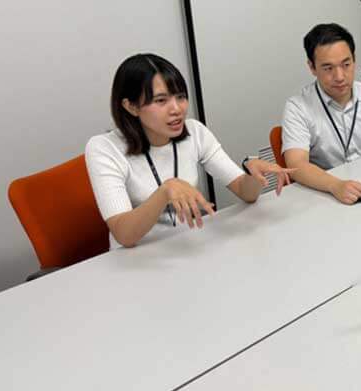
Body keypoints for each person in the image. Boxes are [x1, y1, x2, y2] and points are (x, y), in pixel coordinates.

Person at [86, 53, 294, 248]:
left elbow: (245, 192)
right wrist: (166, 191)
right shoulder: (104, 148)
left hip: (189, 245)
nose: (176, 109)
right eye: (161, 100)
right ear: (131, 106)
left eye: (180, 97)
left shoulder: (195, 132)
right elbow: (123, 234)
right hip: (136, 258)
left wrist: (253, 176)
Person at [281, 23, 361, 204]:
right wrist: (335, 185)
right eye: (328, 68)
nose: (340, 76)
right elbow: (297, 165)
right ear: (312, 67)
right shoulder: (297, 107)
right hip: (325, 194)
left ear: (354, 60)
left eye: (346, 64)